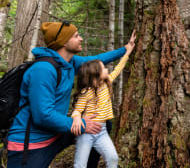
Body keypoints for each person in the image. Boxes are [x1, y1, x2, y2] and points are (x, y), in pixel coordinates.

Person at [6, 21, 136, 168]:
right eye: (76, 36)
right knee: (90, 126)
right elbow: (43, 116)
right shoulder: (43, 70)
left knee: (102, 124)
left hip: (56, 134)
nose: (80, 39)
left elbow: (95, 61)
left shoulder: (69, 63)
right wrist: (81, 125)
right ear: (64, 42)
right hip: (31, 144)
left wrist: (126, 49)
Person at [70, 34, 135, 168]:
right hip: (86, 133)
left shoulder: (107, 83)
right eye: (104, 68)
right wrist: (77, 119)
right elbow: (77, 110)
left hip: (102, 131)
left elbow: (118, 68)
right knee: (80, 164)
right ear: (95, 75)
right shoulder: (86, 92)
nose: (107, 69)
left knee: (113, 158)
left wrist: (128, 51)